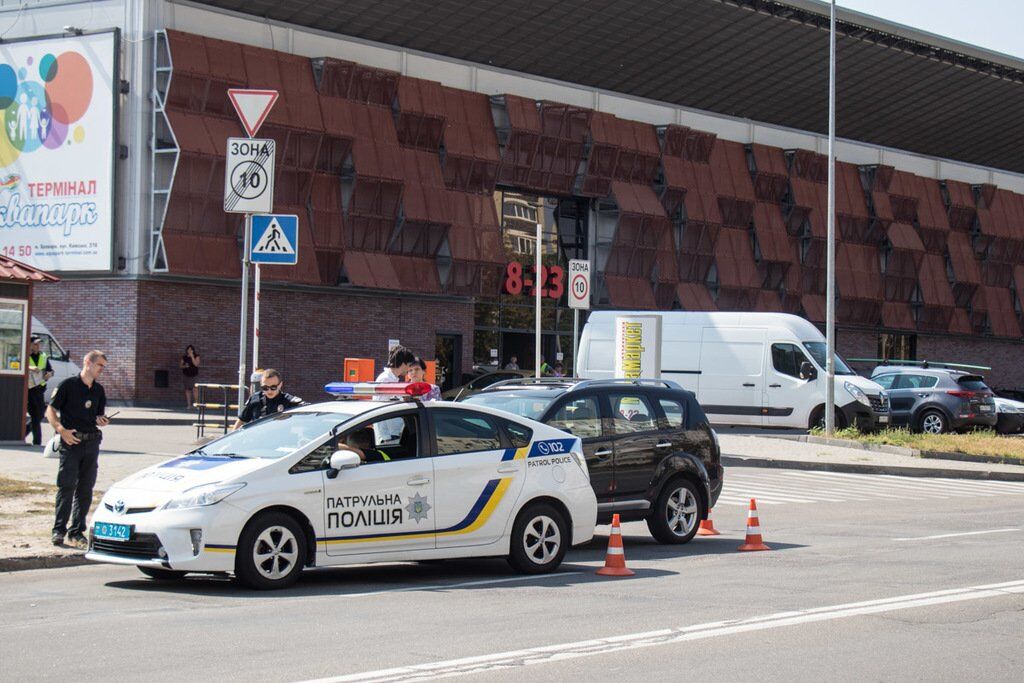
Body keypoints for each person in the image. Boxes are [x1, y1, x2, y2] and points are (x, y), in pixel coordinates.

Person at [46, 350, 110, 548]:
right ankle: (58, 530)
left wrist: (103, 421)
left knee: (85, 489)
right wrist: (60, 429)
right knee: (66, 487)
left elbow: (99, 416)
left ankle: (77, 531)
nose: (101, 370)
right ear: (87, 363)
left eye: (103, 367)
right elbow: (51, 409)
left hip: (91, 443)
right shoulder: (68, 385)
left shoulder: (98, 390)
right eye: (99, 365)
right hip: (71, 442)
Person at [232, 368, 303, 430]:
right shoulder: (255, 399)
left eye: (273, 387)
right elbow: (241, 420)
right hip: (258, 439)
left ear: (280, 384)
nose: (269, 391)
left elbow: (308, 411)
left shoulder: (288, 401)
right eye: (265, 388)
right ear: (261, 384)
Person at [27, 335, 54, 446]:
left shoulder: (43, 356)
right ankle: (37, 442)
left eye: (39, 344)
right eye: (35, 344)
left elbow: (51, 370)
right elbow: (16, 365)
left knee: (39, 416)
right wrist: (28, 367)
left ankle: (23, 432)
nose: (38, 346)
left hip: (40, 390)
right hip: (29, 390)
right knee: (35, 415)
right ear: (29, 345)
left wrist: (49, 374)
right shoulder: (25, 355)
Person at [180, 345, 201, 409]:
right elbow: (180, 366)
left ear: (193, 350)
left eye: (191, 350)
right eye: (188, 349)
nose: (189, 351)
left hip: (194, 375)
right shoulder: (184, 357)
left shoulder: (196, 356)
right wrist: (184, 366)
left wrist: (192, 357)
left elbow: (196, 364)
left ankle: (196, 404)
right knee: (187, 390)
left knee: (195, 389)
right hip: (186, 375)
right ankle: (189, 405)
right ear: (186, 350)